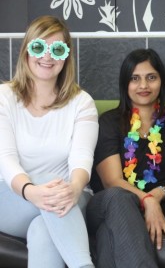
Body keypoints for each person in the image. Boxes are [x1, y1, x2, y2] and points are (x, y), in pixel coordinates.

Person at [0, 15, 98, 268]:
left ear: (66, 56)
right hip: (12, 197)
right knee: (49, 191)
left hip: (70, 195)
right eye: (38, 47)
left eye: (57, 49)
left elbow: (82, 158)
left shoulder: (82, 102)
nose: (47, 56)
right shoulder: (4, 97)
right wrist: (31, 191)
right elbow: (5, 159)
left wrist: (74, 188)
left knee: (44, 229)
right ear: (26, 52)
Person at [86, 49, 165, 267]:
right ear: (125, 84)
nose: (143, 86)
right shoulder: (110, 121)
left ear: (161, 81)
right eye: (135, 78)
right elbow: (112, 181)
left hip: (164, 205)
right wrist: (148, 200)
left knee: (107, 235)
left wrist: (160, 193)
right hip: (107, 205)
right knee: (118, 198)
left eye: (151, 77)